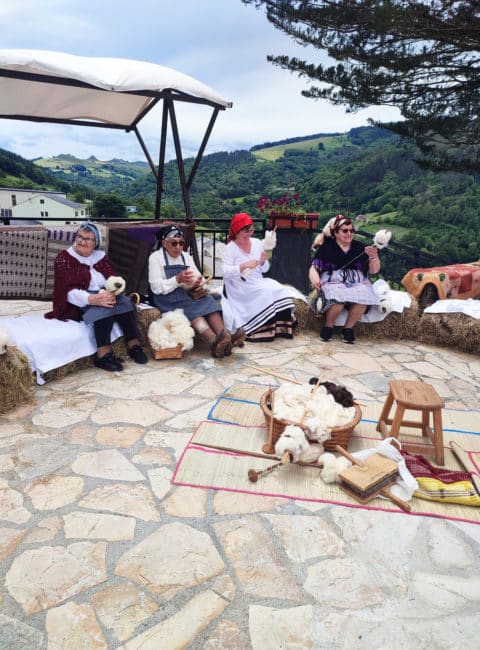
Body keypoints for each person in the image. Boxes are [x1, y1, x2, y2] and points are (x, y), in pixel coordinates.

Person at [45, 223, 148, 371]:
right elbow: (67, 292)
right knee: (104, 309)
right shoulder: (64, 258)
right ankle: (103, 356)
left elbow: (110, 278)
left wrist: (113, 291)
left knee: (126, 303)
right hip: (79, 300)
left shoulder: (100, 257)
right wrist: (93, 299)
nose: (82, 241)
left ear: (95, 243)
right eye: (79, 237)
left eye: (87, 239)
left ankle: (134, 346)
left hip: (102, 293)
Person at [148, 225, 245, 358]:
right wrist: (177, 279)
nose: (178, 247)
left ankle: (225, 338)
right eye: (174, 243)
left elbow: (199, 276)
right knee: (192, 310)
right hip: (166, 298)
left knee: (208, 300)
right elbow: (156, 287)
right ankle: (214, 343)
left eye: (181, 243)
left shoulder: (186, 257)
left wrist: (199, 283)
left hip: (186, 293)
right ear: (165, 243)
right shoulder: (156, 258)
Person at [221, 213, 304, 342]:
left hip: (257, 280)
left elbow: (265, 269)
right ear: (236, 232)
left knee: (277, 288)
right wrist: (243, 265)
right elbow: (225, 273)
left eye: (251, 230)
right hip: (239, 284)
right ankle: (259, 330)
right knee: (264, 292)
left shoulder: (257, 243)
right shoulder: (230, 249)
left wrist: (263, 261)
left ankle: (280, 328)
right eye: (245, 232)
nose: (249, 234)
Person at [308, 214, 381, 344]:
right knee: (338, 298)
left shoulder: (360, 247)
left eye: (351, 231)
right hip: (333, 281)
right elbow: (314, 268)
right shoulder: (327, 247)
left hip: (357, 282)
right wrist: (315, 279)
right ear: (335, 232)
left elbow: (374, 270)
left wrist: (374, 257)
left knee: (363, 295)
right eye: (345, 231)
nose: (349, 234)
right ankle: (328, 326)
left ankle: (348, 329)